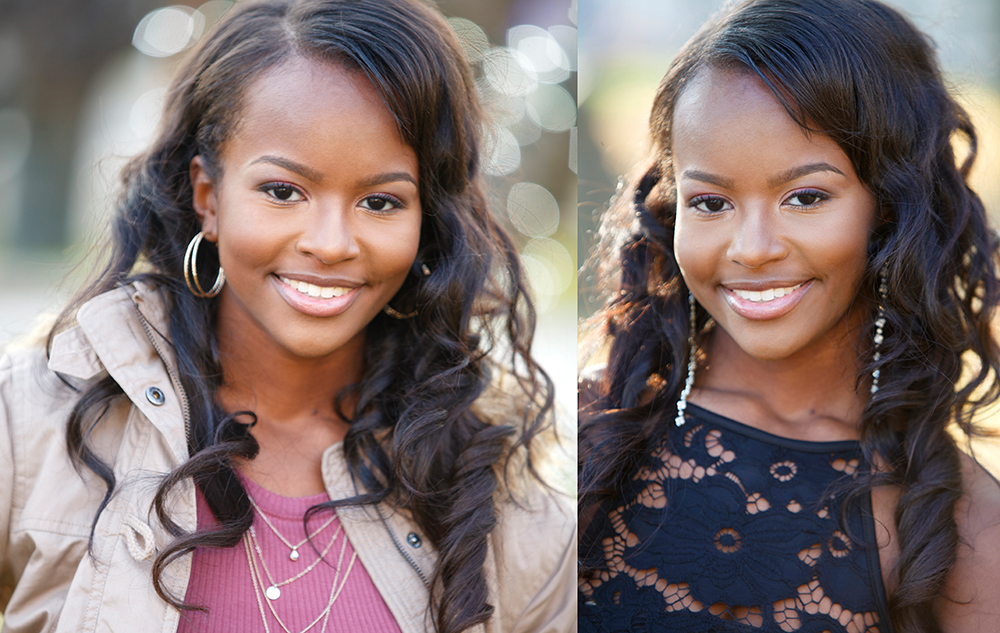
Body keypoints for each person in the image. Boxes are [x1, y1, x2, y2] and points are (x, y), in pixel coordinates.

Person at [0, 0, 576, 631]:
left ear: (425, 221)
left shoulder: (498, 493)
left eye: (381, 202)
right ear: (208, 197)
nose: (331, 243)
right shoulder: (32, 423)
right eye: (283, 191)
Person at [578, 0, 1000, 631]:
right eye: (711, 202)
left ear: (891, 206)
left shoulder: (960, 526)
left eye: (805, 197)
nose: (752, 248)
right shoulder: (586, 437)